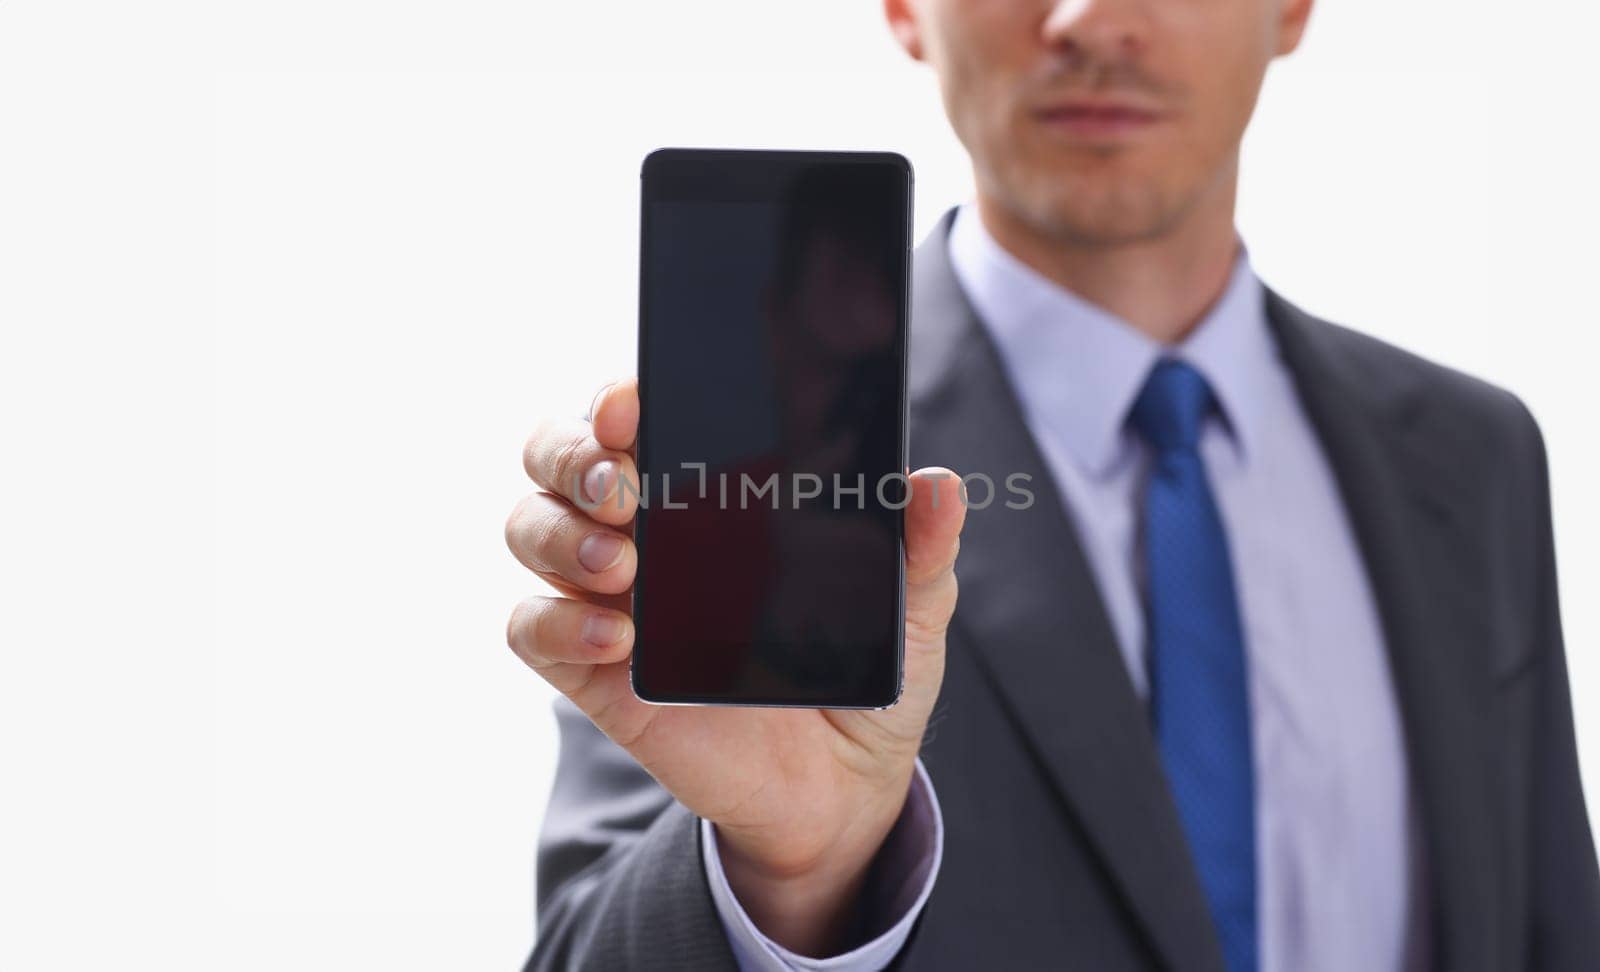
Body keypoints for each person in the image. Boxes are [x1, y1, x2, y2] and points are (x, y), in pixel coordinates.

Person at [502, 0, 1600, 968]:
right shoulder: (747, 497)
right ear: (902, 10)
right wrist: (790, 881)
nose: (1084, 17)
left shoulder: (1475, 456)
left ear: (1294, 6)